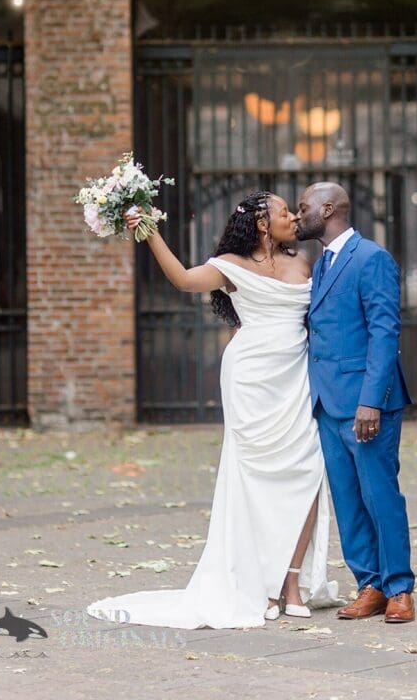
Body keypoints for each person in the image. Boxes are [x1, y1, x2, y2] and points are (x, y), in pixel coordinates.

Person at [86, 189, 339, 630]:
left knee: (306, 471)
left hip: (295, 378)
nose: (292, 219)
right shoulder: (230, 268)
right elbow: (183, 279)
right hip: (250, 380)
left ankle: (292, 581)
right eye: (283, 212)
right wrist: (149, 232)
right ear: (262, 223)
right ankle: (259, 585)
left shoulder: (305, 263)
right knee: (251, 478)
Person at [294, 181, 416, 623]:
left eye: (303, 206)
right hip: (326, 403)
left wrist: (371, 402)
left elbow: (385, 333)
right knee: (347, 499)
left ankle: (400, 588)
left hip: (368, 404)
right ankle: (370, 585)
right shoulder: (321, 263)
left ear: (327, 209)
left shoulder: (372, 258)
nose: (297, 213)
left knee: (379, 494)